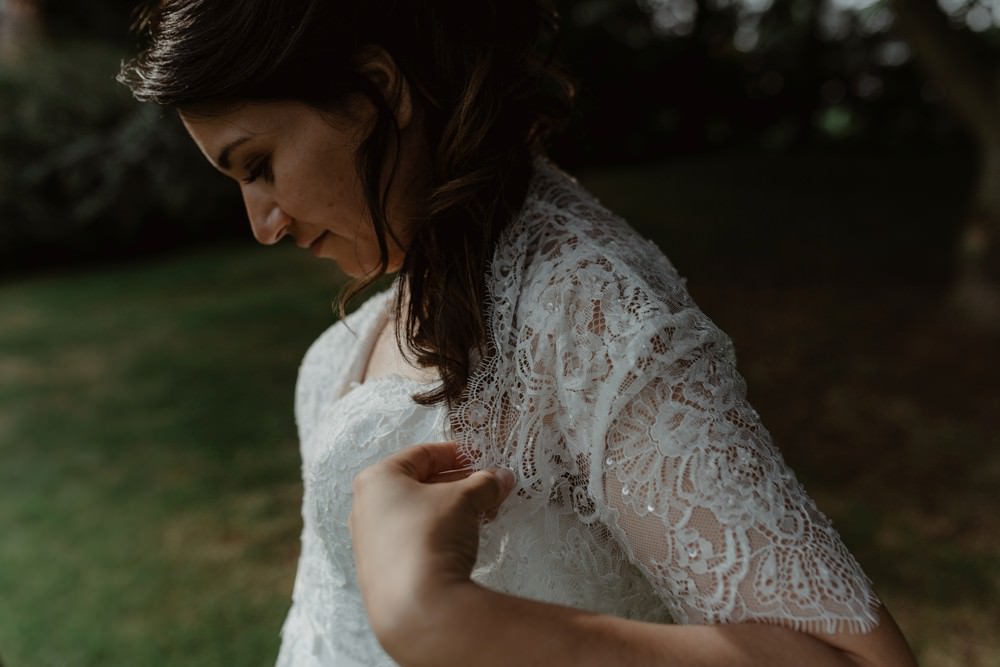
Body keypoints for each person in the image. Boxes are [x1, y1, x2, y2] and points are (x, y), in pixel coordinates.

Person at [119, 1, 918, 665]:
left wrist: (444, 619)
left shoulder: (588, 309)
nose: (261, 223)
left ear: (377, 87)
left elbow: (854, 658)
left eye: (258, 165)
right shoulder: (346, 345)